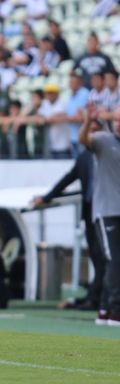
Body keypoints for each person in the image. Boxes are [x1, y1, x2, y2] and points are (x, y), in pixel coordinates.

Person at [33, 120, 104, 310]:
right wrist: (46, 197)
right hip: (90, 213)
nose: (93, 135)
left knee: (106, 257)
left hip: (107, 213)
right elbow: (68, 178)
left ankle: (100, 299)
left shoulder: (108, 155)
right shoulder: (83, 158)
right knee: (97, 257)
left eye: (97, 131)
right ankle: (97, 297)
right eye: (90, 131)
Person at [79, 106, 120, 326]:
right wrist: (87, 120)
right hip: (107, 211)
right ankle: (116, 312)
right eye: (116, 120)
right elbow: (83, 139)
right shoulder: (104, 140)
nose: (118, 124)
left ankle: (104, 309)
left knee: (113, 263)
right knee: (114, 262)